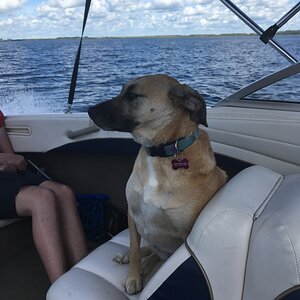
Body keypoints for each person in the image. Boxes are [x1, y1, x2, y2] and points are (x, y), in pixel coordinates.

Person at [0, 110, 88, 283]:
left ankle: (84, 275)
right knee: (42, 199)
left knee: (64, 193)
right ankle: (60, 287)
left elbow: (14, 158)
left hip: (5, 175)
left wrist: (8, 164)